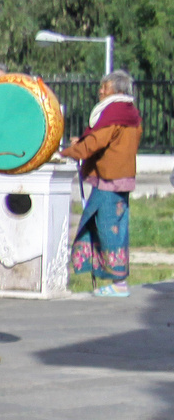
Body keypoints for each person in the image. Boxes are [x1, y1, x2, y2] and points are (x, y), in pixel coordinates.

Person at [66, 68, 142, 298]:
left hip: (110, 181)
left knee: (110, 229)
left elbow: (96, 143)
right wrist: (81, 143)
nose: (100, 91)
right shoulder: (130, 114)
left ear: (116, 91)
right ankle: (111, 277)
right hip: (119, 179)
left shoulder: (114, 114)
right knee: (109, 226)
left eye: (104, 88)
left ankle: (118, 282)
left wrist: (69, 151)